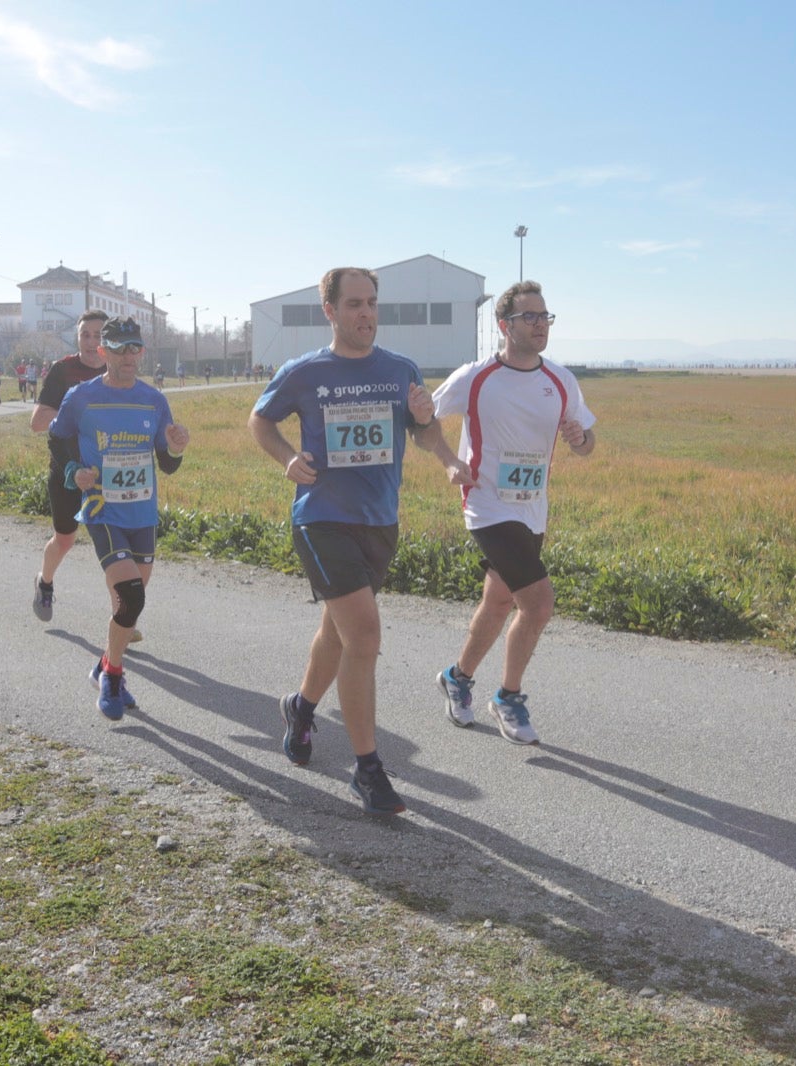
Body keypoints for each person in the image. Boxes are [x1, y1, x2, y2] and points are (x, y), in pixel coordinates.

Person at [249, 266, 470, 815]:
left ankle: (300, 708)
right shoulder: (305, 372)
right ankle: (367, 769)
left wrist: (440, 449)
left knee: (338, 631)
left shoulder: (399, 369)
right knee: (365, 635)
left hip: (379, 521)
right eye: (353, 305)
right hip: (321, 518)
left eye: (372, 303)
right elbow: (261, 420)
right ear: (330, 311)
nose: (365, 313)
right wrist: (289, 459)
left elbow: (422, 431)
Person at [432, 280, 597, 745]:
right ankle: (508, 697)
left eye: (545, 316)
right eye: (530, 317)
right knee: (538, 603)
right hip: (485, 504)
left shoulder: (561, 379)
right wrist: (450, 461)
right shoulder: (476, 376)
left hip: (532, 509)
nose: (540, 324)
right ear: (505, 326)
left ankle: (457, 677)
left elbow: (587, 442)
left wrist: (580, 440)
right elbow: (422, 417)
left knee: (500, 600)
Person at [48, 317, 189, 720]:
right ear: (103, 352)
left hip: (141, 512)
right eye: (119, 348)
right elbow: (57, 440)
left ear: (141, 353)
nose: (128, 356)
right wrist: (75, 470)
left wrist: (176, 448)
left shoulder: (154, 400)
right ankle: (112, 677)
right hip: (101, 509)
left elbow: (167, 463)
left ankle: (104, 663)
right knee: (131, 594)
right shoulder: (81, 397)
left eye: (134, 348)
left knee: (132, 602)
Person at [30, 310, 110, 622]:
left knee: (115, 546)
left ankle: (123, 617)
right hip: (67, 470)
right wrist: (76, 416)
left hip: (107, 473)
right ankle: (45, 582)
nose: (92, 342)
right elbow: (37, 422)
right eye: (85, 335)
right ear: (77, 338)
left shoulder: (117, 369)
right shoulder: (63, 370)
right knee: (65, 539)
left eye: (99, 335)